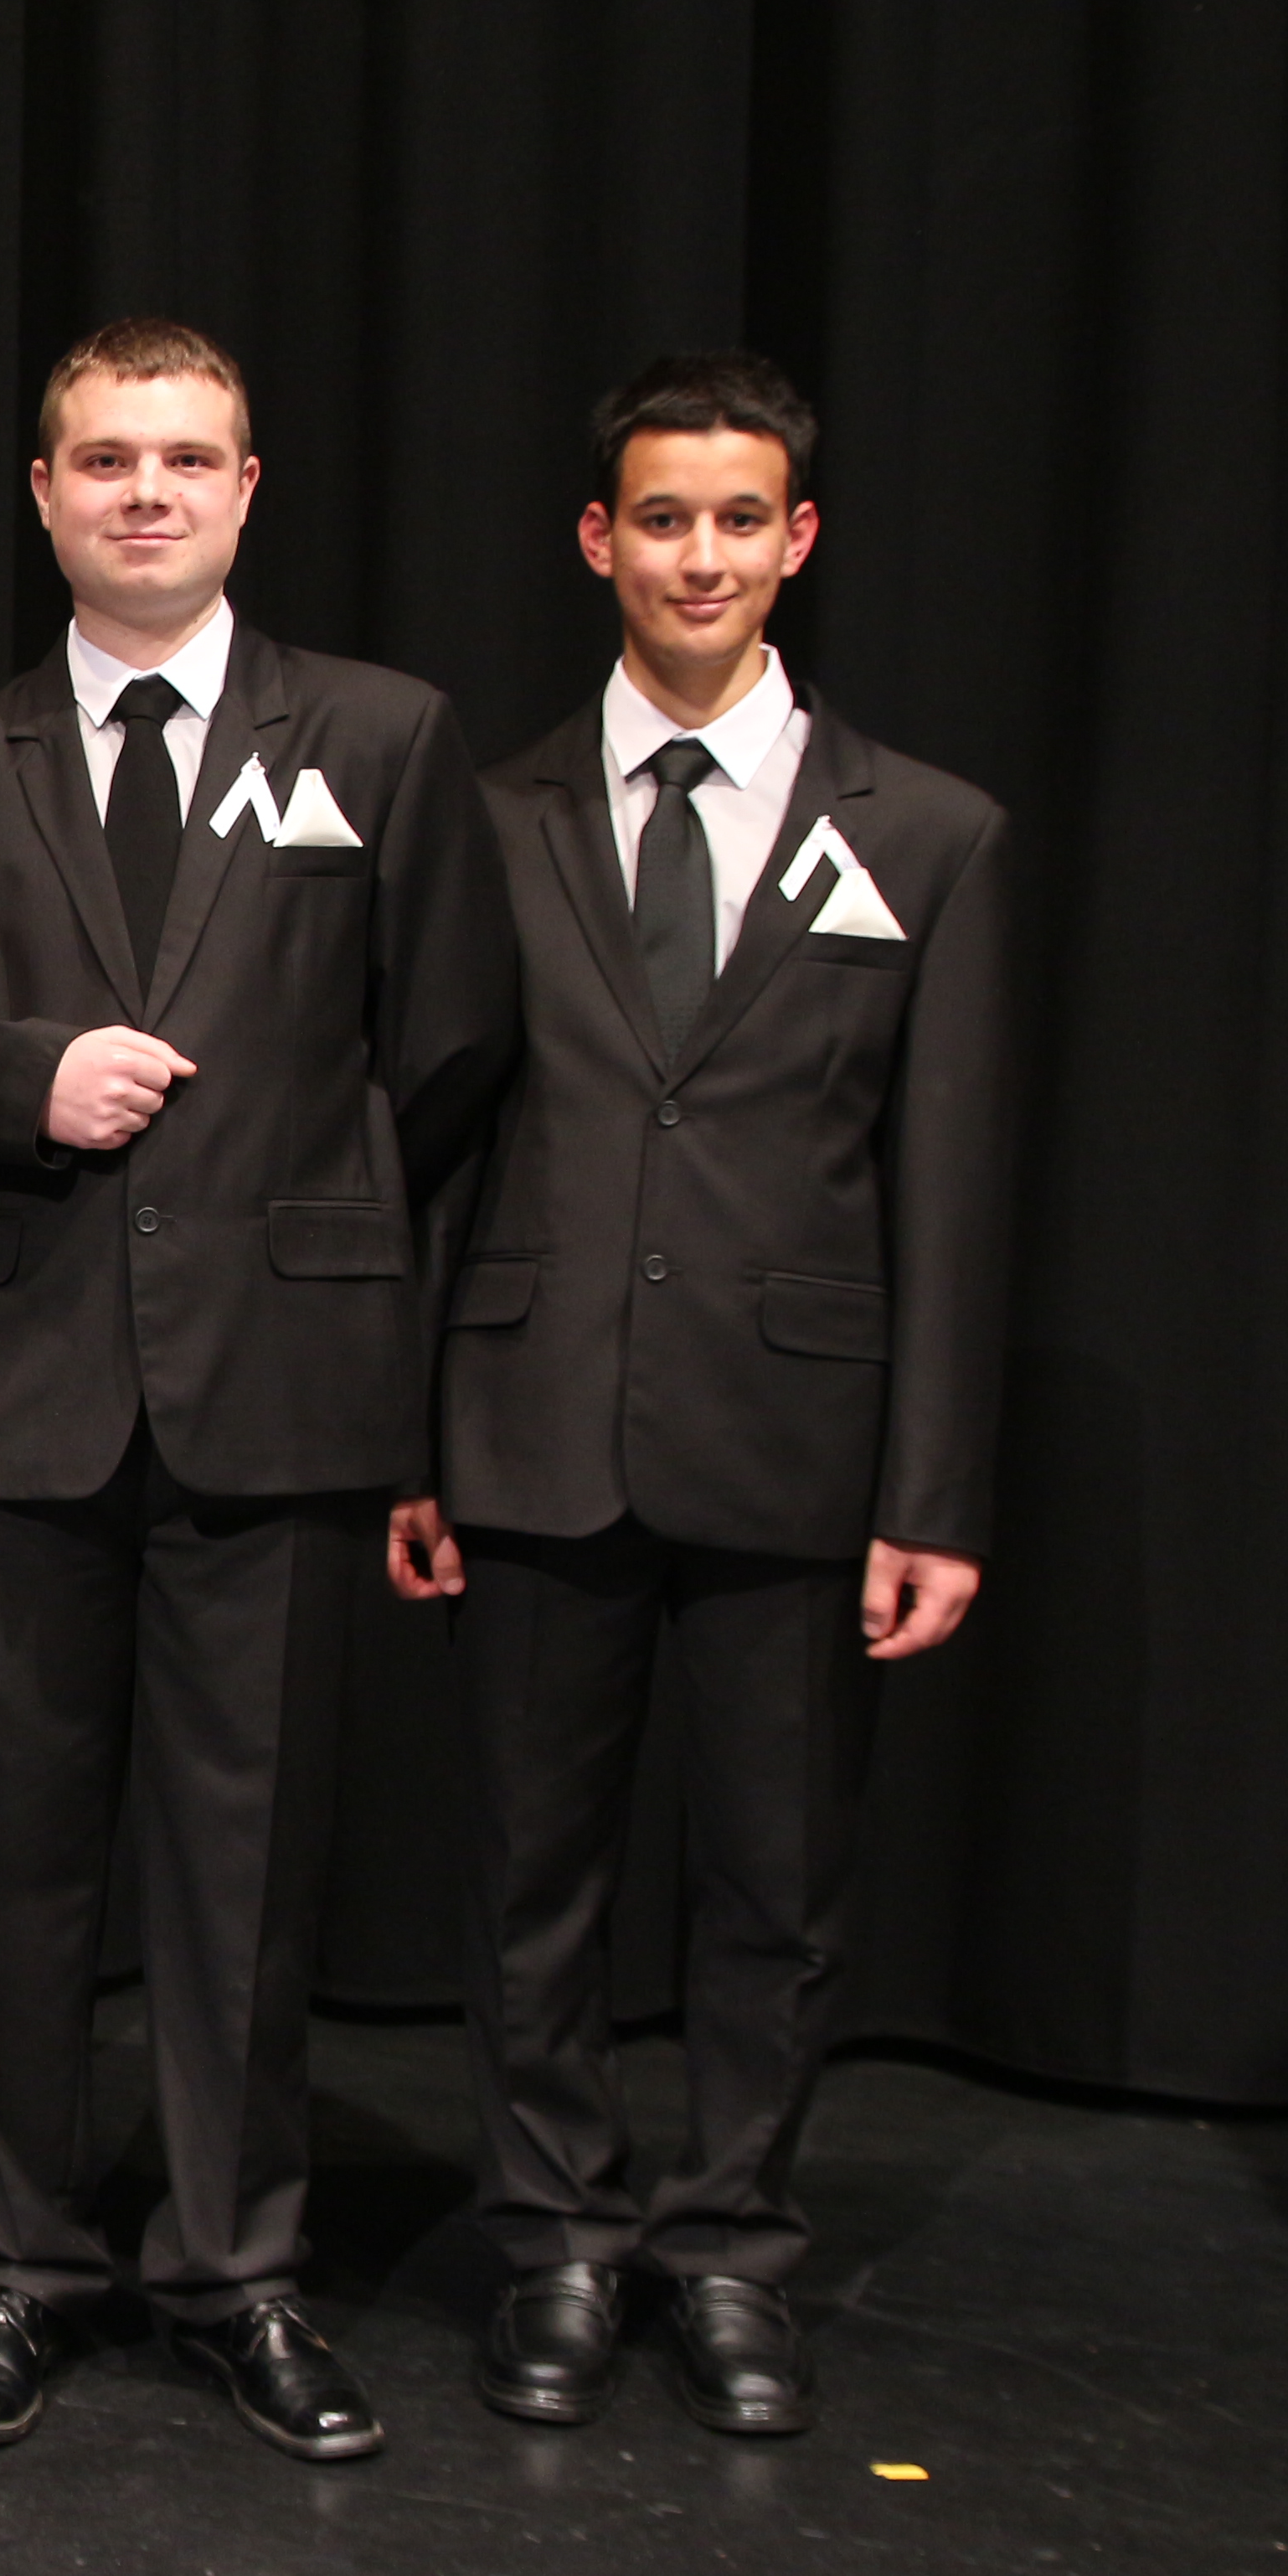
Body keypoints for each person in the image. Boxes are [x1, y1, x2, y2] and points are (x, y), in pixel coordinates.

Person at [0, 319, 519, 2461]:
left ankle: (236, 2268)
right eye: (105, 458)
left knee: (246, 1865)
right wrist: (27, 1075)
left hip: (279, 1383)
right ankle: (18, 2264)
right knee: (3, 1858)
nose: (145, 493)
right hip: (8, 1386)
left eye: (186, 459)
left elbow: (450, 1046)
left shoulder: (379, 737)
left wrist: (312, 1233)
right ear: (41, 494)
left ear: (247, 488)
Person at [391, 354, 1016, 2438]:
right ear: (600, 541)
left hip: (797, 1444)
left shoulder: (931, 832)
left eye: (741, 518)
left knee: (777, 1882)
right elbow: (434, 1148)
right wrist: (412, 1441)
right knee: (531, 1872)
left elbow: (952, 1190)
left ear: (798, 540)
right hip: (531, 1423)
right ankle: (558, 2239)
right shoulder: (488, 819)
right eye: (662, 517)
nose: (700, 556)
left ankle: (735, 2244)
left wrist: (934, 1490)